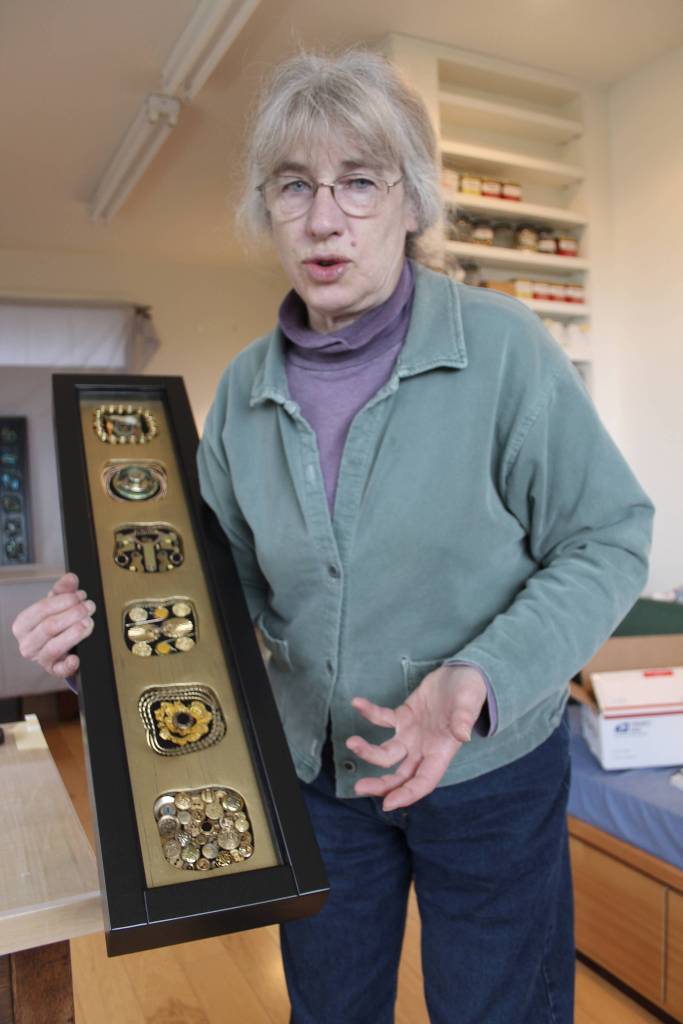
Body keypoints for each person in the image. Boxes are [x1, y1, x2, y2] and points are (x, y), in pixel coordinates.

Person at [13, 49, 653, 1024]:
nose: (323, 219)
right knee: (329, 1008)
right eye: (292, 187)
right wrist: (104, 642)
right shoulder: (236, 396)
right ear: (264, 211)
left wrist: (476, 678)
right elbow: (205, 589)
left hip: (486, 772)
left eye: (359, 182)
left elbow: (609, 535)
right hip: (316, 779)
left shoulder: (505, 351)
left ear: (411, 203)